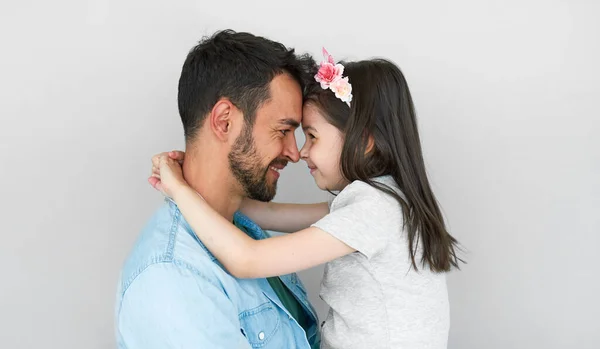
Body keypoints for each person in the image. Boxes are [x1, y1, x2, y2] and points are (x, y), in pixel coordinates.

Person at [151, 48, 463, 349]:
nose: (300, 152)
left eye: (312, 136)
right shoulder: (385, 201)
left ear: (365, 141)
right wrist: (206, 187)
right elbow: (271, 214)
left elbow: (248, 260)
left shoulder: (373, 210)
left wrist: (180, 190)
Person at [116, 30, 320, 349]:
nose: (295, 153)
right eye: (283, 130)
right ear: (224, 121)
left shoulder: (244, 228)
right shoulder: (173, 279)